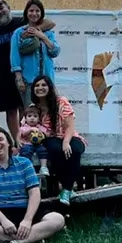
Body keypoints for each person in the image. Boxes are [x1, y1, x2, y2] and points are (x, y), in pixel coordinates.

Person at [0, 125, 65, 243]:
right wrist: (3, 220)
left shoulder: (24, 163)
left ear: (8, 143)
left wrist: (27, 220)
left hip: (25, 209)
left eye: (0, 139)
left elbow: (34, 193)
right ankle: (31, 239)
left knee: (57, 219)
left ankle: (14, 242)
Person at [0, 0, 54, 136]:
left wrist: (33, 31)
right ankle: (17, 140)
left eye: (1, 8)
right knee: (10, 110)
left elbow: (50, 23)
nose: (0, 12)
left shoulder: (21, 23)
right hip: (4, 76)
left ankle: (30, 136)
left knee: (27, 107)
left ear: (9, 8)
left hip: (24, 74)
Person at [31, 75, 86, 205]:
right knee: (55, 149)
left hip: (68, 135)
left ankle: (66, 189)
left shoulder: (61, 101)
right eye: (37, 86)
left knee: (75, 149)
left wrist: (66, 142)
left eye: (43, 85)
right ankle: (67, 189)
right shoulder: (34, 107)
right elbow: (26, 125)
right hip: (50, 138)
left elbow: (70, 125)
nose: (40, 88)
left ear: (49, 87)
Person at [11, 0, 60, 107]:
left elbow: (55, 51)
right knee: (31, 112)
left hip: (47, 80)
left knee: (51, 111)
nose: (34, 13)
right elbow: (15, 57)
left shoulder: (48, 33)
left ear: (41, 13)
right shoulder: (19, 33)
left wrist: (42, 36)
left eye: (37, 11)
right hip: (28, 80)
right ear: (26, 13)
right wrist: (19, 79)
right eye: (31, 11)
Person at [18, 104, 50, 176]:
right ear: (25, 118)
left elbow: (47, 134)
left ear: (39, 119)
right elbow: (23, 133)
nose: (32, 118)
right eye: (29, 116)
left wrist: (41, 132)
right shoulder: (24, 127)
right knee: (26, 150)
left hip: (38, 144)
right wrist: (30, 130)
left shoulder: (39, 126)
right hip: (27, 144)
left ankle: (44, 167)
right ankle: (27, 167)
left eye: (35, 116)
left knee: (43, 150)